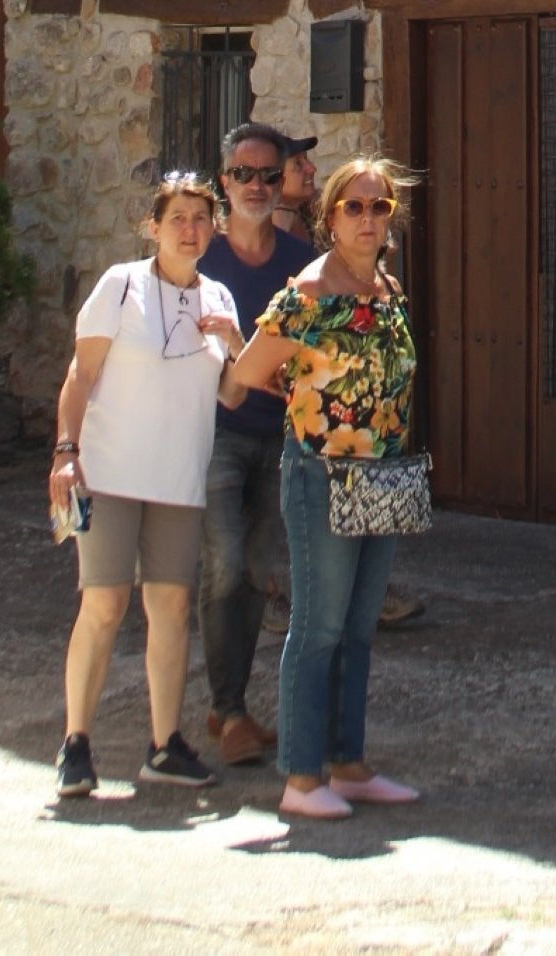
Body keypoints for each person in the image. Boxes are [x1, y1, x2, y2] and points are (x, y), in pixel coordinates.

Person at [223, 154, 420, 821]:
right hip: (321, 473)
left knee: (360, 627)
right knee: (318, 626)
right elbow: (250, 369)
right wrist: (304, 395)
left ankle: (350, 764)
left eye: (379, 207)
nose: (367, 219)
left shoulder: (387, 289)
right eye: (354, 207)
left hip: (384, 471)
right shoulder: (309, 293)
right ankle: (302, 779)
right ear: (331, 216)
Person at [48, 174, 247, 800]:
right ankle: (76, 743)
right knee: (103, 606)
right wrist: (65, 453)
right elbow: (81, 376)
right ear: (154, 227)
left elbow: (233, 393)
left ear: (213, 229)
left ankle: (164, 746)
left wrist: (235, 342)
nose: (190, 230)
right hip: (109, 474)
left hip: (178, 479)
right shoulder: (121, 285)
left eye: (201, 219)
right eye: (178, 218)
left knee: (172, 610)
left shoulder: (219, 296)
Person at [198, 123, 311, 766]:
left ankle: (225, 707)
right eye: (244, 174)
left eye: (270, 175)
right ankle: (234, 710)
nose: (258, 186)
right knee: (224, 566)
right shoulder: (200, 258)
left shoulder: (300, 265)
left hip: (280, 437)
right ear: (224, 183)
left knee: (255, 572)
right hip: (214, 435)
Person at [271, 133, 318, 242]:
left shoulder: (309, 212)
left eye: (306, 159)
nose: (312, 169)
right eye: (298, 164)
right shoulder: (268, 234)